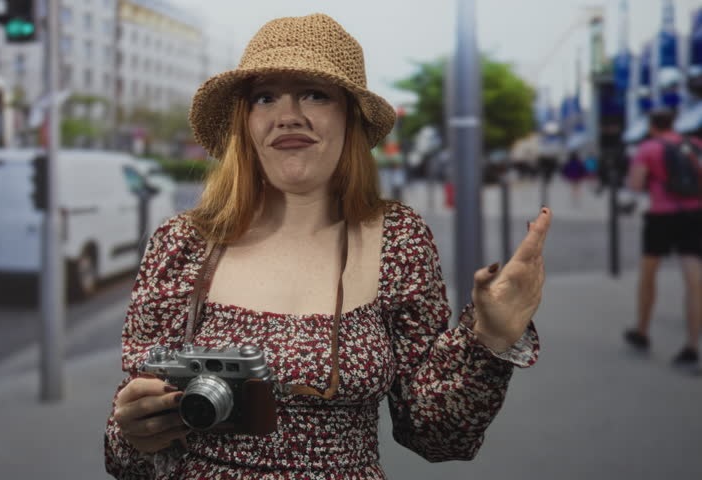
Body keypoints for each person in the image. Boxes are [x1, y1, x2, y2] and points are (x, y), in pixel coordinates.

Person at [105, 14, 553, 479]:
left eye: (315, 94)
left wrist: (490, 340)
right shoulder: (182, 245)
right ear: (247, 120)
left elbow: (437, 436)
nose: (288, 114)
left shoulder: (398, 239)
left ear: (349, 117)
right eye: (265, 97)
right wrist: (134, 432)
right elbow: (126, 458)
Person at [624, 108, 702, 371]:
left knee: (648, 275)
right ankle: (692, 345)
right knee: (694, 280)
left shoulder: (648, 148)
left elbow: (635, 185)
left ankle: (642, 331)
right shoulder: (694, 145)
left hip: (660, 216)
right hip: (693, 215)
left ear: (651, 125)